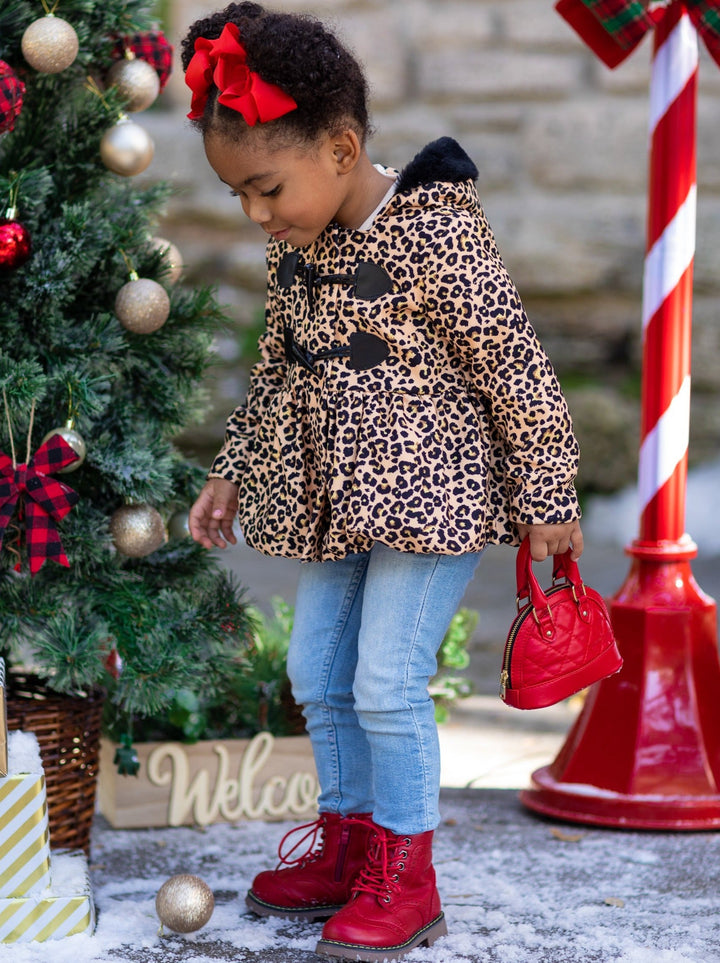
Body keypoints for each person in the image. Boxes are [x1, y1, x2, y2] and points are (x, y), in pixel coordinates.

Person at [183, 4, 583, 960]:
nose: (256, 214)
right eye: (239, 195)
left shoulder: (437, 233)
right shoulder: (297, 243)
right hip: (335, 500)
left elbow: (516, 368)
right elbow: (277, 365)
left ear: (342, 148)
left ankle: (408, 876)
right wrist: (233, 464)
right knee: (316, 669)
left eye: (267, 188)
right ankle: (351, 842)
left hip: (434, 502)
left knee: (387, 680)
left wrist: (549, 497)